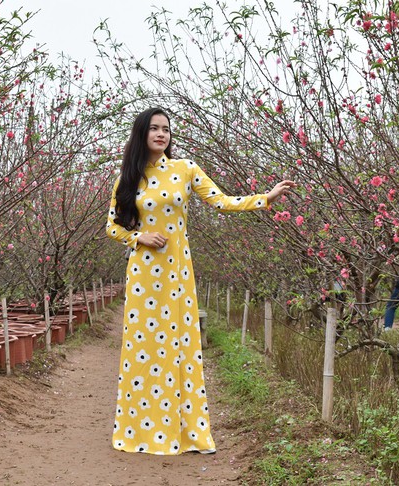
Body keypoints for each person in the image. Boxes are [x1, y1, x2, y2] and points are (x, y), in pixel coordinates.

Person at [105, 107, 296, 455]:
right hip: (143, 275)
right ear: (142, 134)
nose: (161, 134)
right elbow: (112, 227)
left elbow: (220, 202)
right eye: (154, 128)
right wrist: (138, 237)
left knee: (179, 347)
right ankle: (141, 432)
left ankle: (184, 431)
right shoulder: (128, 178)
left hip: (177, 273)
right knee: (144, 349)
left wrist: (264, 199)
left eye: (166, 129)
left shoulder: (185, 169)